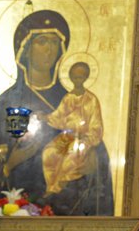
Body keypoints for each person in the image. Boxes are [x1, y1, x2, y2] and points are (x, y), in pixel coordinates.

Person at [0, 10, 113, 216]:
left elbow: (95, 152)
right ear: (25, 49)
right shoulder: (0, 109)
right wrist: (11, 163)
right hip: (11, 218)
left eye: (54, 42)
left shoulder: (74, 101)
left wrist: (94, 165)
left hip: (66, 217)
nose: (49, 49)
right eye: (42, 41)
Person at [40, 61, 104, 195]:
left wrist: (88, 138)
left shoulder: (91, 99)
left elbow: (96, 125)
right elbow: (58, 116)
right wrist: (45, 118)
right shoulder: (68, 98)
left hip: (84, 139)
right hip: (67, 136)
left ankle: (59, 187)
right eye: (74, 77)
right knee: (49, 153)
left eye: (80, 77)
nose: (77, 80)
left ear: (86, 78)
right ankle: (51, 186)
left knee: (70, 158)